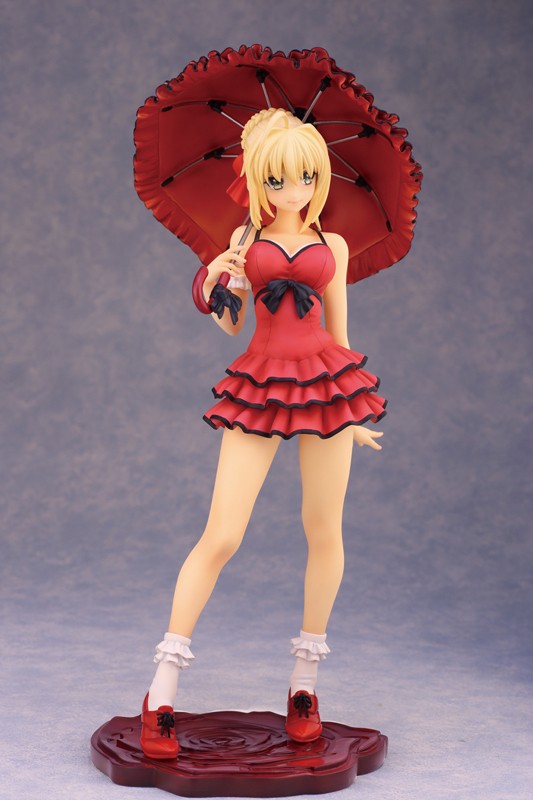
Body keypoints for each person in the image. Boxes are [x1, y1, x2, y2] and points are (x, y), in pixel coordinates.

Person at [140, 108, 387, 759]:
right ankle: (161, 689)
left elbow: (340, 334)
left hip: (327, 386)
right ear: (256, 178)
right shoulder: (245, 239)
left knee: (324, 530)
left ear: (320, 177)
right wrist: (215, 279)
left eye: (305, 177)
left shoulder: (334, 247)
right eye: (277, 179)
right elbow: (230, 323)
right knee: (222, 533)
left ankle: (304, 684)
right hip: (261, 382)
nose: (292, 190)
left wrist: (355, 415)